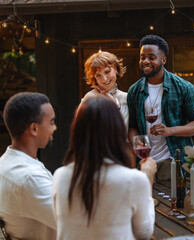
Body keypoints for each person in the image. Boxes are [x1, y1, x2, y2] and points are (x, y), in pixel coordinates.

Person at [52, 95, 156, 240]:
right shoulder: (134, 180)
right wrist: (147, 176)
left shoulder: (60, 176)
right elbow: (143, 233)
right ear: (118, 130)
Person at [127, 34, 194, 180]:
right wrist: (137, 146)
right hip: (144, 162)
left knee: (171, 202)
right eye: (142, 57)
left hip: (172, 161)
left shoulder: (184, 88)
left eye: (151, 57)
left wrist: (170, 131)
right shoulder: (134, 91)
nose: (145, 61)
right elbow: (132, 127)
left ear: (163, 60)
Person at [0, 92, 57, 239]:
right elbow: (73, 222)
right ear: (34, 129)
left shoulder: (5, 162)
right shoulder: (29, 177)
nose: (55, 127)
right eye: (51, 122)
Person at [83, 51, 129, 130]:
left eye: (107, 72)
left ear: (116, 69)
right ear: (94, 78)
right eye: (98, 75)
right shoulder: (90, 97)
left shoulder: (127, 97)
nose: (104, 78)